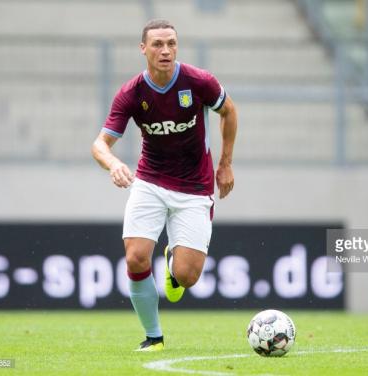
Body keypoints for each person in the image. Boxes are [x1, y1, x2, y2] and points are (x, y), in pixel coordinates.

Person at [91, 19, 237, 352]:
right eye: (157, 44)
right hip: (150, 181)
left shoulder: (199, 82)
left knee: (187, 277)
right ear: (143, 49)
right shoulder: (131, 93)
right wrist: (114, 165)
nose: (166, 50)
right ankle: (153, 337)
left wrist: (225, 164)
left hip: (195, 187)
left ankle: (173, 262)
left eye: (171, 43)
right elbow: (100, 145)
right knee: (136, 259)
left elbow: (229, 111)